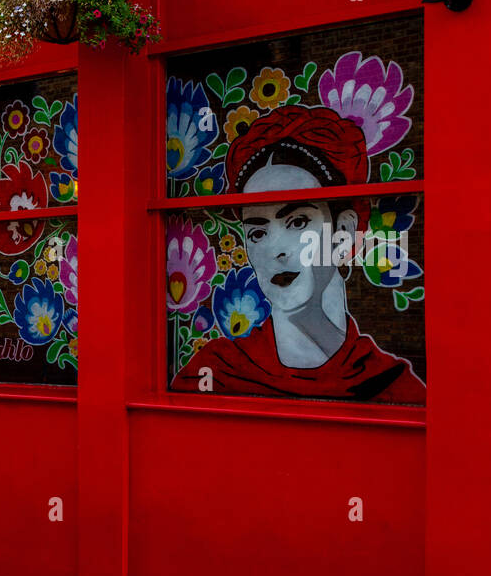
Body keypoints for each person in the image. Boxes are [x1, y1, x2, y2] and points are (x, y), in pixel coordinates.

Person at [171, 105, 425, 404]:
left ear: (342, 234)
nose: (276, 250)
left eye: (298, 222)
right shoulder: (216, 371)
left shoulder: (393, 386)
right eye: (257, 232)